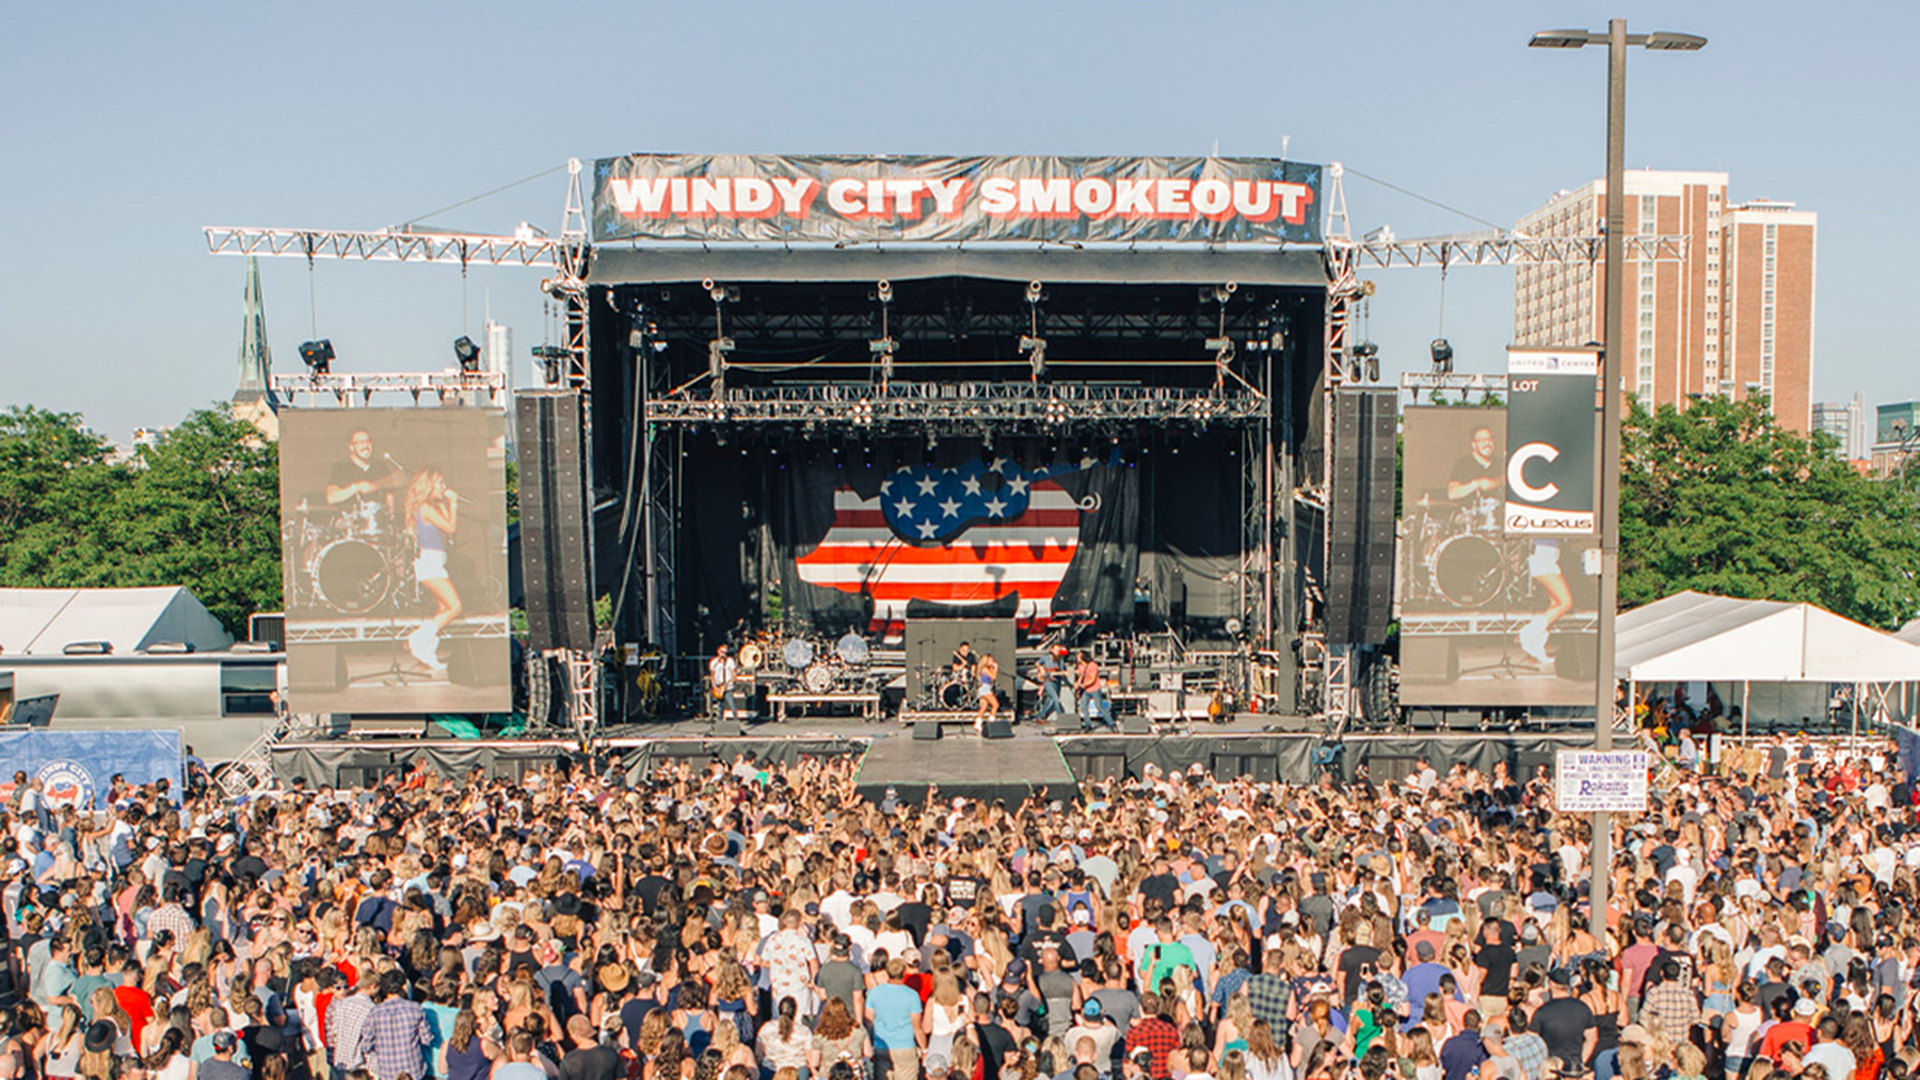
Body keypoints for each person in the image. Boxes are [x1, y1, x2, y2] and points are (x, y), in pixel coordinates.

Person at [402, 469, 462, 672]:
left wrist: (445, 501)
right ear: (429, 486)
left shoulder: (430, 506)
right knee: (455, 607)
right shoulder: (425, 507)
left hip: (435, 561)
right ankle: (417, 639)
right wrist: (454, 503)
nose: (443, 487)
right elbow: (450, 527)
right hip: (430, 562)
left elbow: (446, 522)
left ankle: (427, 653)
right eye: (439, 484)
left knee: (443, 610)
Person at [325, 429, 405, 508]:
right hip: (351, 518)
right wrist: (357, 487)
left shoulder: (380, 466)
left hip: (377, 518)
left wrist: (391, 514)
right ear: (351, 447)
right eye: (360, 442)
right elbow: (331, 498)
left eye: (368, 441)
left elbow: (390, 495)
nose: (365, 446)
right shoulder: (341, 467)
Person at [1075, 653, 1114, 733]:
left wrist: (1083, 685)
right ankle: (1087, 725)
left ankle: (1111, 723)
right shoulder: (1080, 666)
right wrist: (1077, 684)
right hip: (1086, 690)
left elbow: (1093, 679)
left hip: (1095, 688)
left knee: (1099, 706)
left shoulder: (1093, 665)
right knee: (1083, 706)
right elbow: (1081, 676)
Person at [974, 655, 1001, 734]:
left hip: (985, 688)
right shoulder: (985, 669)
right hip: (985, 689)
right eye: (991, 661)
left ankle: (978, 723)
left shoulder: (986, 669)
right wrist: (996, 668)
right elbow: (993, 677)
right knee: (995, 705)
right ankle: (991, 721)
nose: (992, 662)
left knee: (984, 707)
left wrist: (992, 668)